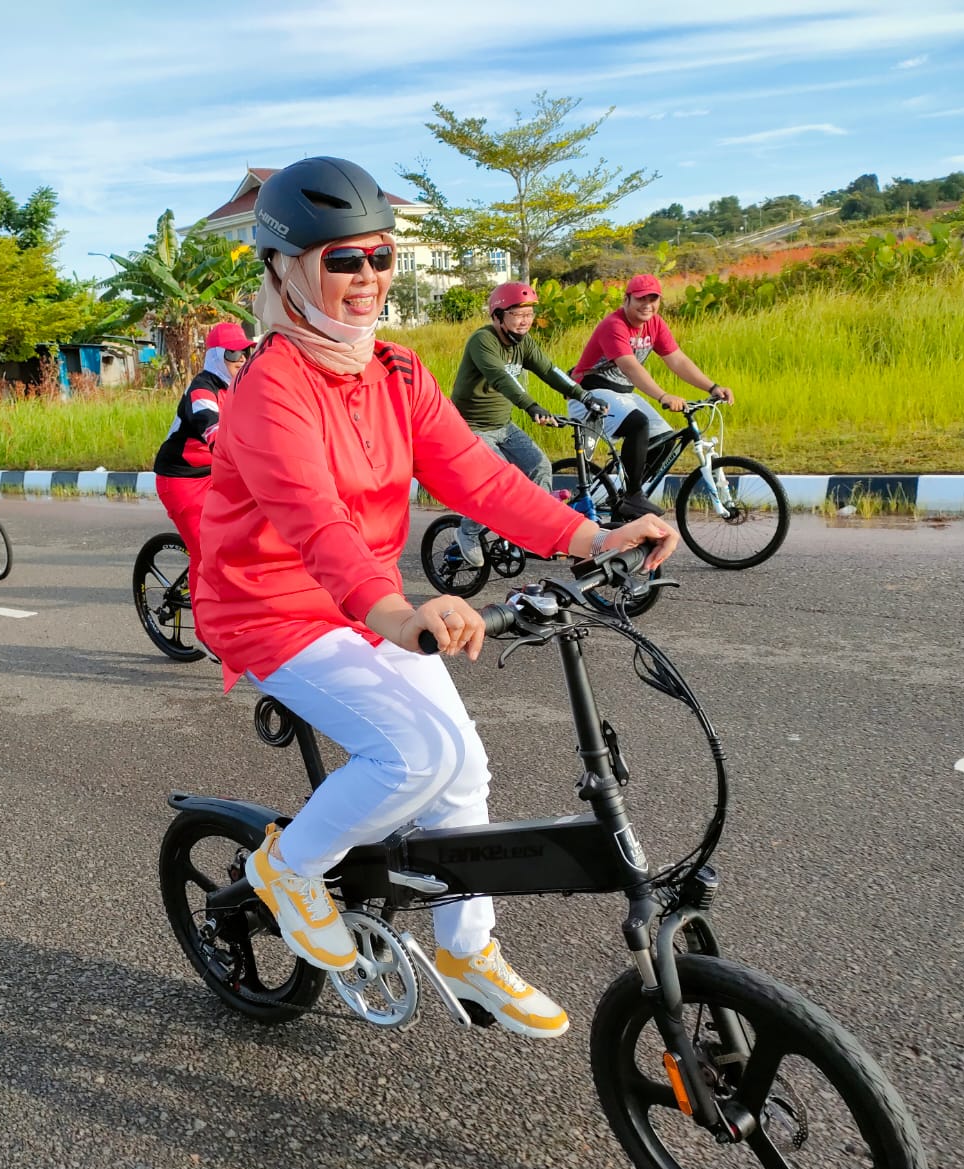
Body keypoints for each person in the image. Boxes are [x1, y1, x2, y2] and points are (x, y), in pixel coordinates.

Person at [194, 157, 677, 1037]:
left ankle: (466, 949)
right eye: (343, 260)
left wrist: (595, 537)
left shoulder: (399, 373)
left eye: (380, 257)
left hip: (362, 601)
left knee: (465, 767)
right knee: (415, 756)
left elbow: (481, 481)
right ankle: (288, 869)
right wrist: (396, 613)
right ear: (285, 269)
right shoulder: (269, 388)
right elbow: (314, 521)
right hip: (270, 609)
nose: (368, 277)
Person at [448, 282, 606, 565]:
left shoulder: (524, 343)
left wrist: (584, 396)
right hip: (471, 428)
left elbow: (550, 370)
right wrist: (531, 406)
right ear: (498, 316)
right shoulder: (482, 341)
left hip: (503, 425)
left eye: (529, 314)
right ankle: (467, 532)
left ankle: (533, 531)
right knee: (498, 481)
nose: (525, 321)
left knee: (540, 466)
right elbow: (501, 378)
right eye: (518, 314)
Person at [568, 274, 735, 519]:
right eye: (640, 299)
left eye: (653, 299)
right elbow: (630, 367)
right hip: (589, 393)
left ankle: (624, 500)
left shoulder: (655, 323)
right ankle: (633, 496)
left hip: (621, 394)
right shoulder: (614, 325)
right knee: (638, 424)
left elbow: (677, 360)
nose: (647, 305)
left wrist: (712, 387)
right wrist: (663, 395)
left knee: (665, 440)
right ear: (626, 299)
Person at [152, 321, 253, 615]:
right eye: (233, 354)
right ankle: (205, 628)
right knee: (206, 552)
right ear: (216, 357)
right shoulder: (202, 390)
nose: (241, 360)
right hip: (180, 479)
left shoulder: (243, 387)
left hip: (215, 472)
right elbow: (214, 430)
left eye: (245, 353)